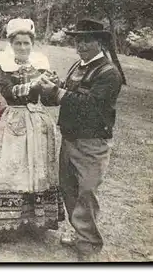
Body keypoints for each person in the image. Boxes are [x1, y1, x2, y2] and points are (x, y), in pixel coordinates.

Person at [0, 18, 65, 243]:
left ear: (32, 44)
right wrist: (35, 85)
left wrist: (54, 85)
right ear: (10, 44)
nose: (23, 48)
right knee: (10, 170)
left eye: (27, 43)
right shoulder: (4, 68)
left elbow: (51, 100)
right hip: (15, 122)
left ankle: (32, 222)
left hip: (39, 123)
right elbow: (9, 93)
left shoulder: (41, 66)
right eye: (18, 43)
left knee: (36, 171)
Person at [38, 18, 122, 260]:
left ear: (100, 42)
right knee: (69, 189)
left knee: (87, 191)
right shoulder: (78, 65)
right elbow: (63, 97)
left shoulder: (109, 73)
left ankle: (89, 245)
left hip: (92, 143)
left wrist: (58, 92)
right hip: (70, 137)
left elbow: (91, 106)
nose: (81, 45)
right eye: (77, 40)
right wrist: (52, 88)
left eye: (87, 40)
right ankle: (79, 234)